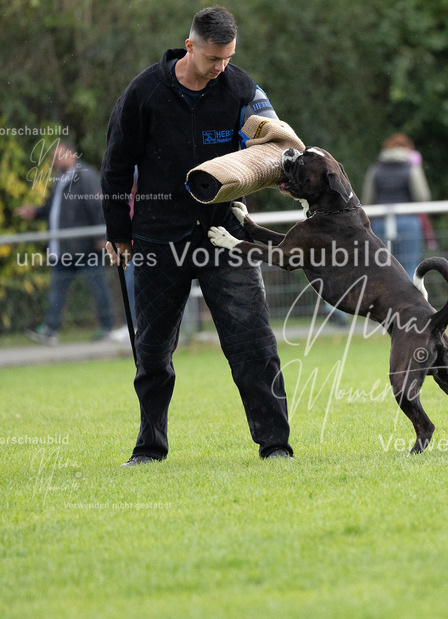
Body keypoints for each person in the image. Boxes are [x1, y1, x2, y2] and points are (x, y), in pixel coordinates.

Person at [102, 6, 293, 466]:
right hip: (156, 239)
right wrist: (118, 233)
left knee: (253, 344)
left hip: (223, 236)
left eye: (228, 58)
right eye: (214, 58)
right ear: (190, 47)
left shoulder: (241, 88)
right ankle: (149, 448)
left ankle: (275, 446)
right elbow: (115, 165)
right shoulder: (144, 92)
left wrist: (285, 165)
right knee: (151, 351)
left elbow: (275, 138)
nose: (221, 67)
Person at [16, 140, 115, 345]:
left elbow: (97, 206)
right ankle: (51, 330)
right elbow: (52, 209)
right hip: (63, 248)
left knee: (99, 289)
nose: (53, 161)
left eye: (56, 157)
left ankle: (108, 328)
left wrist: (100, 237)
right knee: (57, 291)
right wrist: (34, 212)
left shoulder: (86, 176)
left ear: (71, 155)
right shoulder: (59, 179)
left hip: (85, 247)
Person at [360, 133, 432, 277]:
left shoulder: (375, 170)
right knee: (410, 269)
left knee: (383, 270)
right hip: (408, 223)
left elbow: (367, 200)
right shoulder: (411, 168)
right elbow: (423, 197)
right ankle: (411, 299)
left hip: (380, 223)